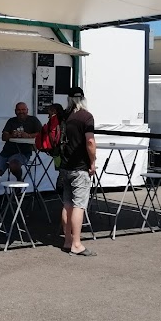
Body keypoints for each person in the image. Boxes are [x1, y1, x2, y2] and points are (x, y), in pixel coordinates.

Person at [58, 86, 97, 257]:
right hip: (80, 168)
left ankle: (67, 241)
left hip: (65, 166)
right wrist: (93, 161)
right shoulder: (86, 117)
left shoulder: (65, 116)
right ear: (83, 98)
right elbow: (90, 142)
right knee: (79, 206)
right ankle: (76, 244)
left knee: (67, 204)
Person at [0, 102, 43, 187]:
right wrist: (11, 135)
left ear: (27, 110)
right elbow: (3, 136)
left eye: (23, 109)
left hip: (23, 152)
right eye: (19, 110)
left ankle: (19, 181)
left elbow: (41, 133)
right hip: (7, 151)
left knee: (14, 165)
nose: (21, 112)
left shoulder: (33, 120)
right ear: (15, 111)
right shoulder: (11, 121)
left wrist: (28, 135)